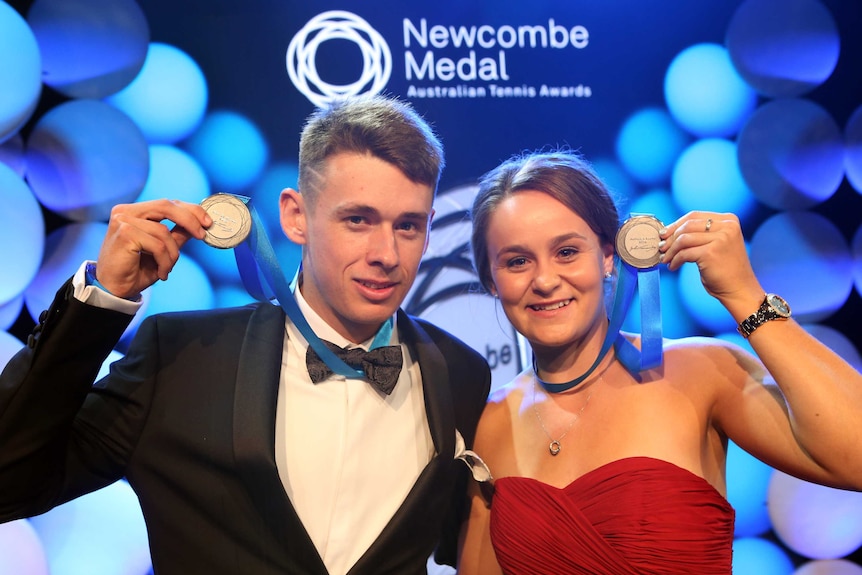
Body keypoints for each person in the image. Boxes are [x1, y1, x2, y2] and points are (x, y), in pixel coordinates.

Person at [0, 94, 491, 575]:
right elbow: (10, 479)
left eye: (407, 226)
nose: (386, 253)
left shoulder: (462, 374)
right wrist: (101, 302)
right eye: (358, 220)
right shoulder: (180, 358)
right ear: (296, 216)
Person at [456, 150, 862, 575]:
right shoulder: (489, 423)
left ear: (609, 255)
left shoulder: (701, 371)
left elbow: (855, 458)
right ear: (491, 280)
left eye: (567, 252)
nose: (543, 280)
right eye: (517, 261)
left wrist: (745, 296)